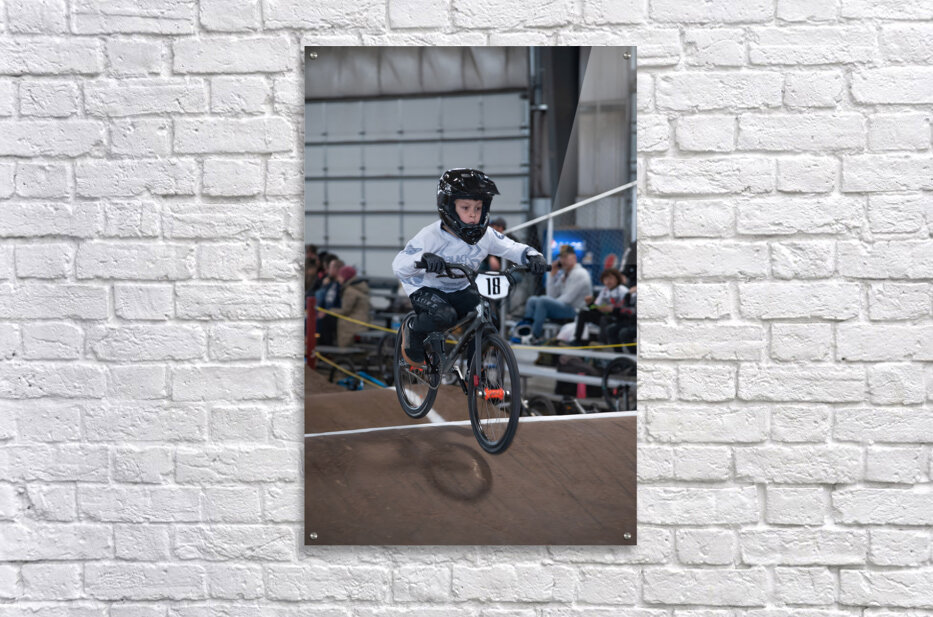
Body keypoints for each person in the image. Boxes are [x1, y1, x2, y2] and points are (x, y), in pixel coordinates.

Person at [392, 168, 548, 366]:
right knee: (445, 316)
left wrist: (533, 256)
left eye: (478, 208)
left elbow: (512, 247)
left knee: (488, 317)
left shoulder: (486, 235)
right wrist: (423, 258)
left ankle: (474, 371)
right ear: (448, 206)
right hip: (427, 288)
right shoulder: (431, 235)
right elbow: (399, 264)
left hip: (460, 288)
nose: (473, 215)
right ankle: (413, 328)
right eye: (465, 208)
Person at [520, 244, 592, 343]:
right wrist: (552, 274)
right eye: (561, 257)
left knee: (542, 301)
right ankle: (525, 330)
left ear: (574, 258)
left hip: (576, 311)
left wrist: (548, 302)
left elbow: (568, 299)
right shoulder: (564, 274)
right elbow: (551, 295)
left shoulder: (580, 273)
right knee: (532, 300)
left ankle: (535, 336)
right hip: (565, 307)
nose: (562, 260)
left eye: (565, 257)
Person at [572, 268, 629, 345]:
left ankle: (602, 343)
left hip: (619, 318)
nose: (608, 281)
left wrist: (613, 309)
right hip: (605, 316)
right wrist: (590, 304)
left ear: (617, 279)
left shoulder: (623, 290)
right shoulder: (604, 291)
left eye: (611, 278)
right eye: (606, 279)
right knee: (583, 313)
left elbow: (627, 309)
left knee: (604, 319)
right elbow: (595, 308)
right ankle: (577, 340)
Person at [331, 265, 371, 348]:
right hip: (362, 321)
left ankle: (342, 349)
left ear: (345, 277)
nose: (338, 279)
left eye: (340, 276)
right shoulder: (358, 288)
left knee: (329, 320)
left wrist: (330, 311)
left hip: (354, 323)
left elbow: (345, 311)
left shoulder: (350, 291)